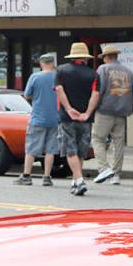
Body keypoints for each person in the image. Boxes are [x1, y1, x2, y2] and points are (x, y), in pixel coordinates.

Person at [91, 44, 133, 185]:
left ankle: (103, 168)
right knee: (118, 143)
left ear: (106, 57)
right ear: (116, 56)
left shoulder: (103, 69)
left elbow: (98, 90)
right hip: (122, 112)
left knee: (97, 139)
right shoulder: (128, 71)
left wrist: (94, 106)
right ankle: (116, 175)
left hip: (104, 110)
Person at [55, 41, 100, 196]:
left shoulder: (61, 70)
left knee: (70, 150)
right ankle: (75, 182)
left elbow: (59, 90)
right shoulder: (93, 74)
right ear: (85, 57)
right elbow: (95, 94)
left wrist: (68, 109)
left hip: (67, 117)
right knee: (81, 151)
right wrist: (87, 112)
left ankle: (79, 181)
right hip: (85, 119)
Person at [14, 53, 59, 186]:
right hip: (55, 119)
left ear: (41, 64)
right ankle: (47, 177)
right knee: (51, 150)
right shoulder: (58, 77)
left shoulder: (35, 77)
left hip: (38, 118)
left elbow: (27, 95)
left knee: (31, 148)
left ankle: (27, 176)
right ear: (52, 64)